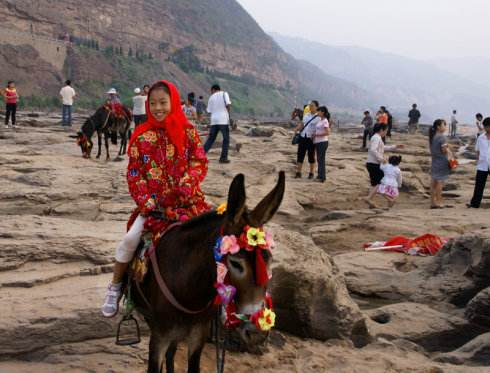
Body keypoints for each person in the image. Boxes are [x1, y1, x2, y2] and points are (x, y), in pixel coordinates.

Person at [101, 80, 209, 317]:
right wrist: (147, 201)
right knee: (130, 240)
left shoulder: (188, 131)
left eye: (163, 102)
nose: (158, 108)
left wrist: (187, 185)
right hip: (154, 207)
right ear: (147, 105)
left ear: (173, 102)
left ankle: (222, 298)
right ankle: (116, 286)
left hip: (187, 201)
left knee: (215, 240)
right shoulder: (141, 136)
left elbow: (199, 161)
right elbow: (134, 173)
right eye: (153, 104)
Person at [364, 124, 402, 208]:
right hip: (374, 163)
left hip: (372, 163)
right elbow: (373, 150)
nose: (386, 132)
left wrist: (394, 147)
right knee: (380, 183)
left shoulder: (376, 137)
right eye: (386, 130)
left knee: (374, 184)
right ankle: (369, 198)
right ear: (381, 130)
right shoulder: (376, 137)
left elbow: (382, 148)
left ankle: (371, 202)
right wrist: (381, 159)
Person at [204, 84, 232, 163]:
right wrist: (228, 114)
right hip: (223, 120)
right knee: (226, 139)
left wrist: (212, 120)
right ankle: (223, 158)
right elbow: (228, 104)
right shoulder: (224, 93)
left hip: (214, 121)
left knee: (211, 139)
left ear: (213, 89)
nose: (211, 92)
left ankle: (201, 156)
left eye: (211, 91)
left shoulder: (211, 97)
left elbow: (209, 111)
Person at [429, 119, 453, 209]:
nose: (445, 127)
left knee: (433, 182)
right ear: (438, 127)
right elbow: (443, 150)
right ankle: (439, 202)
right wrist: (448, 150)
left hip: (435, 161)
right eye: (444, 125)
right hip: (442, 161)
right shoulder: (442, 137)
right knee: (440, 182)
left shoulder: (433, 136)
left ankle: (432, 202)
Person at [294, 100, 320, 179]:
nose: (310, 107)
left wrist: (316, 135)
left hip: (311, 139)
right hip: (303, 136)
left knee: (311, 156)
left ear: (316, 107)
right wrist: (296, 129)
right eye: (309, 105)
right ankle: (298, 172)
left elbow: (320, 128)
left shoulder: (318, 117)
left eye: (312, 105)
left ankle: (311, 173)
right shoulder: (306, 115)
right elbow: (303, 124)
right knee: (300, 155)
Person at [467, 117, 490, 208]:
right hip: (482, 165)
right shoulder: (481, 137)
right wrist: (479, 159)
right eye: (485, 126)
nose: (486, 128)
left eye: (488, 126)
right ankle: (475, 203)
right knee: (479, 185)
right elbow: (477, 150)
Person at [313, 106, 331, 183]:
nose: (317, 113)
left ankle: (322, 177)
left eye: (319, 111)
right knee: (319, 159)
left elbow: (327, 132)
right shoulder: (321, 120)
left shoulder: (325, 121)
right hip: (318, 142)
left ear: (322, 112)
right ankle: (320, 175)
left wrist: (316, 135)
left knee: (321, 159)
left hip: (322, 142)